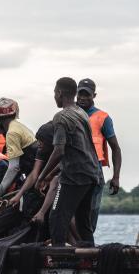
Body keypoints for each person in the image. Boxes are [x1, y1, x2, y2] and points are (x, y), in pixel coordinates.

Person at [40, 77, 104, 247]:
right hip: (92, 173)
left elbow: (59, 150)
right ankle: (90, 258)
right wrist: (51, 174)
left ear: (60, 93)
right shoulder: (81, 112)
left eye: (55, 93)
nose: (54, 96)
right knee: (83, 222)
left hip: (74, 176)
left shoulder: (61, 117)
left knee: (57, 217)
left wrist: (43, 175)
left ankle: (59, 259)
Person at [76, 78, 123, 231]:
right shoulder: (69, 114)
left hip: (94, 171)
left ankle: (88, 249)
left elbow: (115, 148)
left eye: (87, 95)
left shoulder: (103, 118)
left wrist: (116, 177)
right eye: (80, 94)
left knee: (90, 215)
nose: (82, 98)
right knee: (69, 214)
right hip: (72, 169)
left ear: (94, 96)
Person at [0, 98, 40, 201]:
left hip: (36, 176)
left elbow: (14, 168)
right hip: (37, 173)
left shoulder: (11, 133)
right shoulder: (20, 127)